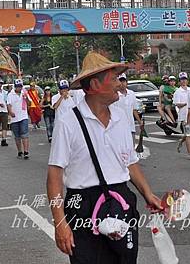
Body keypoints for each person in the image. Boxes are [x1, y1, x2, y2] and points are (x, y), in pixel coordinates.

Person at [47, 51, 162, 263]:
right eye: (115, 78)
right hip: (82, 205)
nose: (120, 84)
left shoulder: (120, 118)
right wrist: (60, 223)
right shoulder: (68, 122)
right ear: (95, 85)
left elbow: (130, 162)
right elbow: (54, 176)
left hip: (120, 201)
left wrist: (148, 194)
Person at [115, 73, 145, 144]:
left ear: (126, 82)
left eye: (123, 81)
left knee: (132, 147)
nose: (122, 83)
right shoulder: (115, 95)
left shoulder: (131, 94)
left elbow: (134, 110)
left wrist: (140, 122)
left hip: (130, 126)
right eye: (120, 81)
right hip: (119, 128)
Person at [174, 72, 190, 160]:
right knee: (188, 134)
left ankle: (181, 141)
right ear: (179, 81)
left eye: (185, 79)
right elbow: (177, 104)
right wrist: (185, 104)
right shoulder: (178, 92)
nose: (183, 81)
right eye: (182, 80)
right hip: (184, 116)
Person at [7, 79, 31, 159]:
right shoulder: (11, 94)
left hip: (23, 117)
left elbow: (29, 103)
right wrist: (10, 112)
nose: (19, 88)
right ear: (15, 87)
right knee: (17, 136)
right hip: (14, 119)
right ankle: (20, 151)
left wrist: (26, 97)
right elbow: (9, 105)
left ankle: (26, 152)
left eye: (20, 86)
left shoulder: (24, 93)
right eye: (17, 87)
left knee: (24, 135)